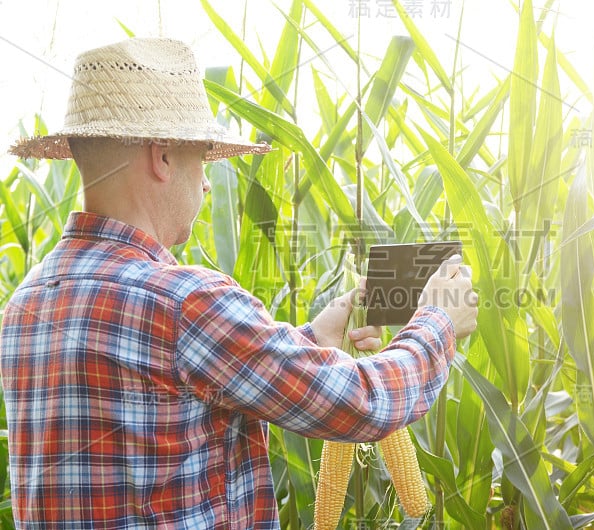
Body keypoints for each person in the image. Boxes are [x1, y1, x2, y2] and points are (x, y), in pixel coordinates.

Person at [0, 38, 478, 528]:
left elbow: (182, 389)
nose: (208, 183)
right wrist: (438, 321)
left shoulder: (24, 305)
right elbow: (363, 403)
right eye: (202, 159)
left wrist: (311, 340)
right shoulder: (184, 302)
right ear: (162, 157)